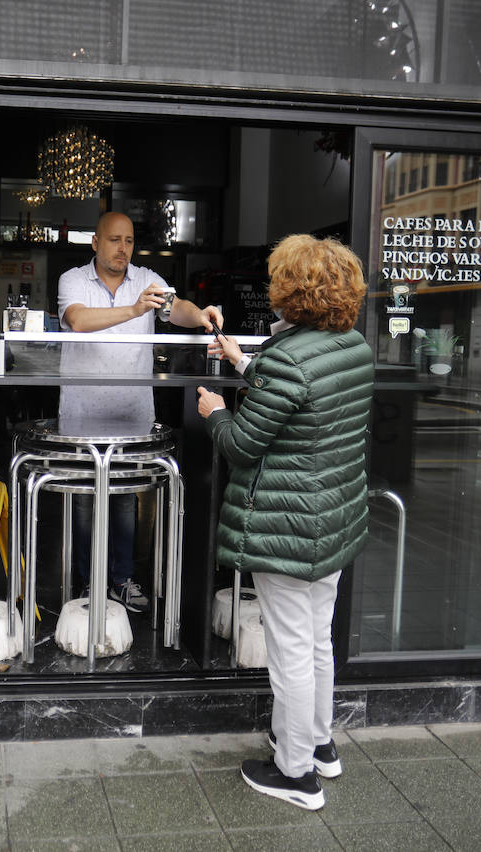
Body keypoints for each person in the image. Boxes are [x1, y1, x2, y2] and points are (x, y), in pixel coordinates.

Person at [196, 234, 373, 811]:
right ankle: (319, 744)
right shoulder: (351, 347)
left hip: (289, 526)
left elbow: (246, 445)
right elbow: (302, 399)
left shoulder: (288, 358)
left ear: (293, 291)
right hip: (332, 522)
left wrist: (217, 413)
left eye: (279, 279)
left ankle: (296, 774)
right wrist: (244, 363)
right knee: (316, 638)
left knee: (291, 650)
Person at [58, 210, 223, 612]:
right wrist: (134, 310)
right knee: (82, 502)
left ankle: (121, 580)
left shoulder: (148, 280)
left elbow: (176, 306)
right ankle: (84, 584)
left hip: (133, 413)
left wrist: (198, 315)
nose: (123, 248)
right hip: (81, 414)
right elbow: (77, 320)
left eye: (129, 240)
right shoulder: (73, 280)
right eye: (114, 240)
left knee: (126, 500)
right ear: (95, 243)